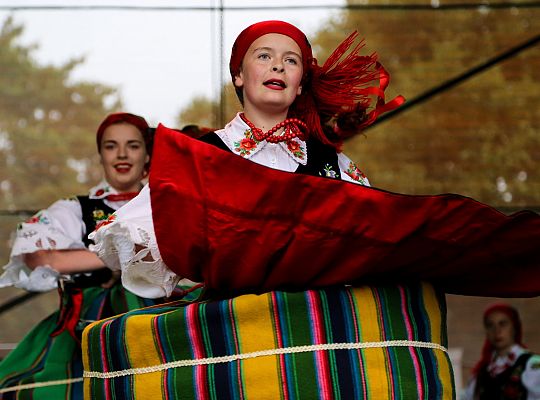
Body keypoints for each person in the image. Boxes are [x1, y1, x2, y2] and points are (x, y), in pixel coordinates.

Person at [82, 21, 540, 399]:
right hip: (237, 329)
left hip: (317, 332)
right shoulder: (200, 156)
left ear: (301, 82)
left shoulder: (330, 161)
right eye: (263, 55)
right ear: (238, 75)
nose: (278, 63)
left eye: (292, 59)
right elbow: (145, 238)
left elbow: (371, 235)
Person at [0, 112, 168, 399]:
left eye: (134, 145)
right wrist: (116, 256)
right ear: (101, 155)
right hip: (88, 326)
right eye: (111, 145)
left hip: (156, 319)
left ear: (147, 154)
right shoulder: (76, 208)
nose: (122, 154)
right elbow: (40, 257)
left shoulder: (164, 205)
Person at [464, 304, 540, 400]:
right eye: (490, 325)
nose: (497, 331)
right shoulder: (481, 372)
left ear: (514, 327)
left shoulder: (531, 364)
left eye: (503, 324)